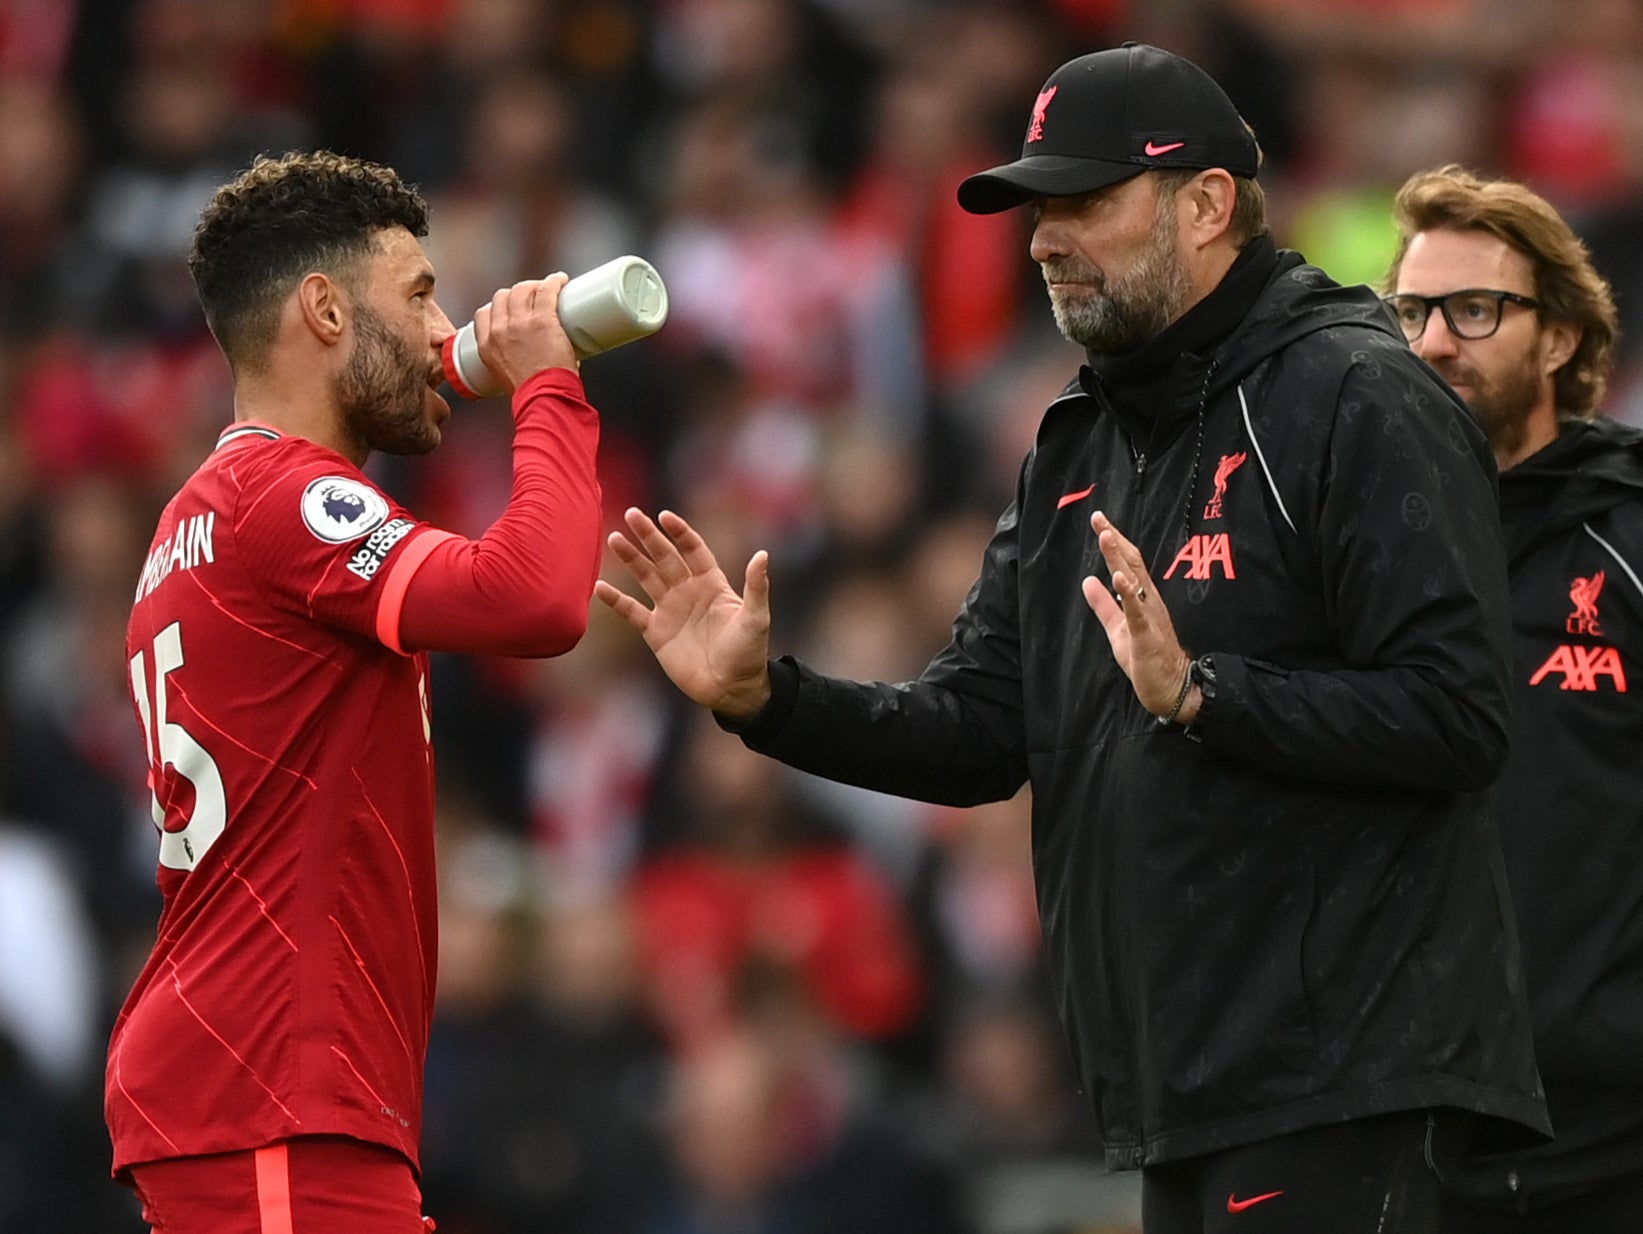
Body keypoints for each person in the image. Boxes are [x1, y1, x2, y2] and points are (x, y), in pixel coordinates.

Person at [595, 43, 1550, 1234]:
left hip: (1350, 1069)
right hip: (1188, 1080)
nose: (1042, 238)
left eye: (1082, 202)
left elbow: (1459, 716)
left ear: (1205, 205)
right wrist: (765, 700)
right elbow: (982, 730)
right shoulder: (1074, 443)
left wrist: (1204, 693)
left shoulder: (1357, 394)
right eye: (1035, 210)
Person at [108, 150, 606, 1233]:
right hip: (274, 1088)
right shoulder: (281, 498)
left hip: (254, 1085)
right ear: (325, 309)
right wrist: (550, 387)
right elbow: (536, 601)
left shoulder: (206, 511)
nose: (445, 332)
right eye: (421, 293)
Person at [1386, 165, 1643, 1233]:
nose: (1435, 342)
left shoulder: (1626, 538)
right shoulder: (1355, 543)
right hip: (1403, 1142)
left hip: (1610, 1148)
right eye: (1411, 313)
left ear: (1561, 339)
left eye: (1474, 310)